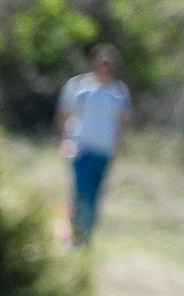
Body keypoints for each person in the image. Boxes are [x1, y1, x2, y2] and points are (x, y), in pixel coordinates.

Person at [57, 45, 131, 246]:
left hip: (104, 151)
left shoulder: (118, 93)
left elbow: (122, 123)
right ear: (95, 63)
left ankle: (85, 235)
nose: (104, 68)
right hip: (82, 148)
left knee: (94, 195)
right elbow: (65, 113)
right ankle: (73, 232)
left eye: (109, 64)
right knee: (81, 191)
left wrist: (118, 149)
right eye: (102, 63)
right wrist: (62, 139)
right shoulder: (80, 87)